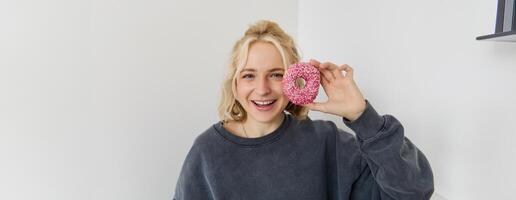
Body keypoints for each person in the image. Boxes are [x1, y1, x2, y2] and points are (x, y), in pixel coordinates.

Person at [172, 20, 434, 200]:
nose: (262, 89)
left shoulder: (327, 142)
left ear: (293, 80)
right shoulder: (207, 152)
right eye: (249, 75)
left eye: (276, 74)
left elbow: (412, 192)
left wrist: (361, 116)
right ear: (235, 83)